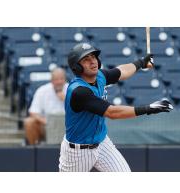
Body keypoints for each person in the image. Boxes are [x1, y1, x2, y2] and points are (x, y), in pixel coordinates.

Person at [59, 43, 173, 172]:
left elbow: (121, 71)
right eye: (86, 59)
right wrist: (147, 109)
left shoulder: (99, 76)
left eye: (93, 57)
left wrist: (141, 62)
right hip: (77, 152)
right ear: (77, 67)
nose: (93, 62)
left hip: (102, 143)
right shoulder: (79, 91)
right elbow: (112, 113)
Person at [24, 67, 68, 145]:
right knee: (29, 122)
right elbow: (33, 112)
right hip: (47, 124)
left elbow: (82, 110)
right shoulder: (42, 90)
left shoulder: (72, 89)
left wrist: (66, 100)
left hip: (68, 126)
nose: (59, 82)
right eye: (56, 79)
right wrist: (45, 121)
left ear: (65, 79)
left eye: (61, 79)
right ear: (51, 80)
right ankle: (34, 151)